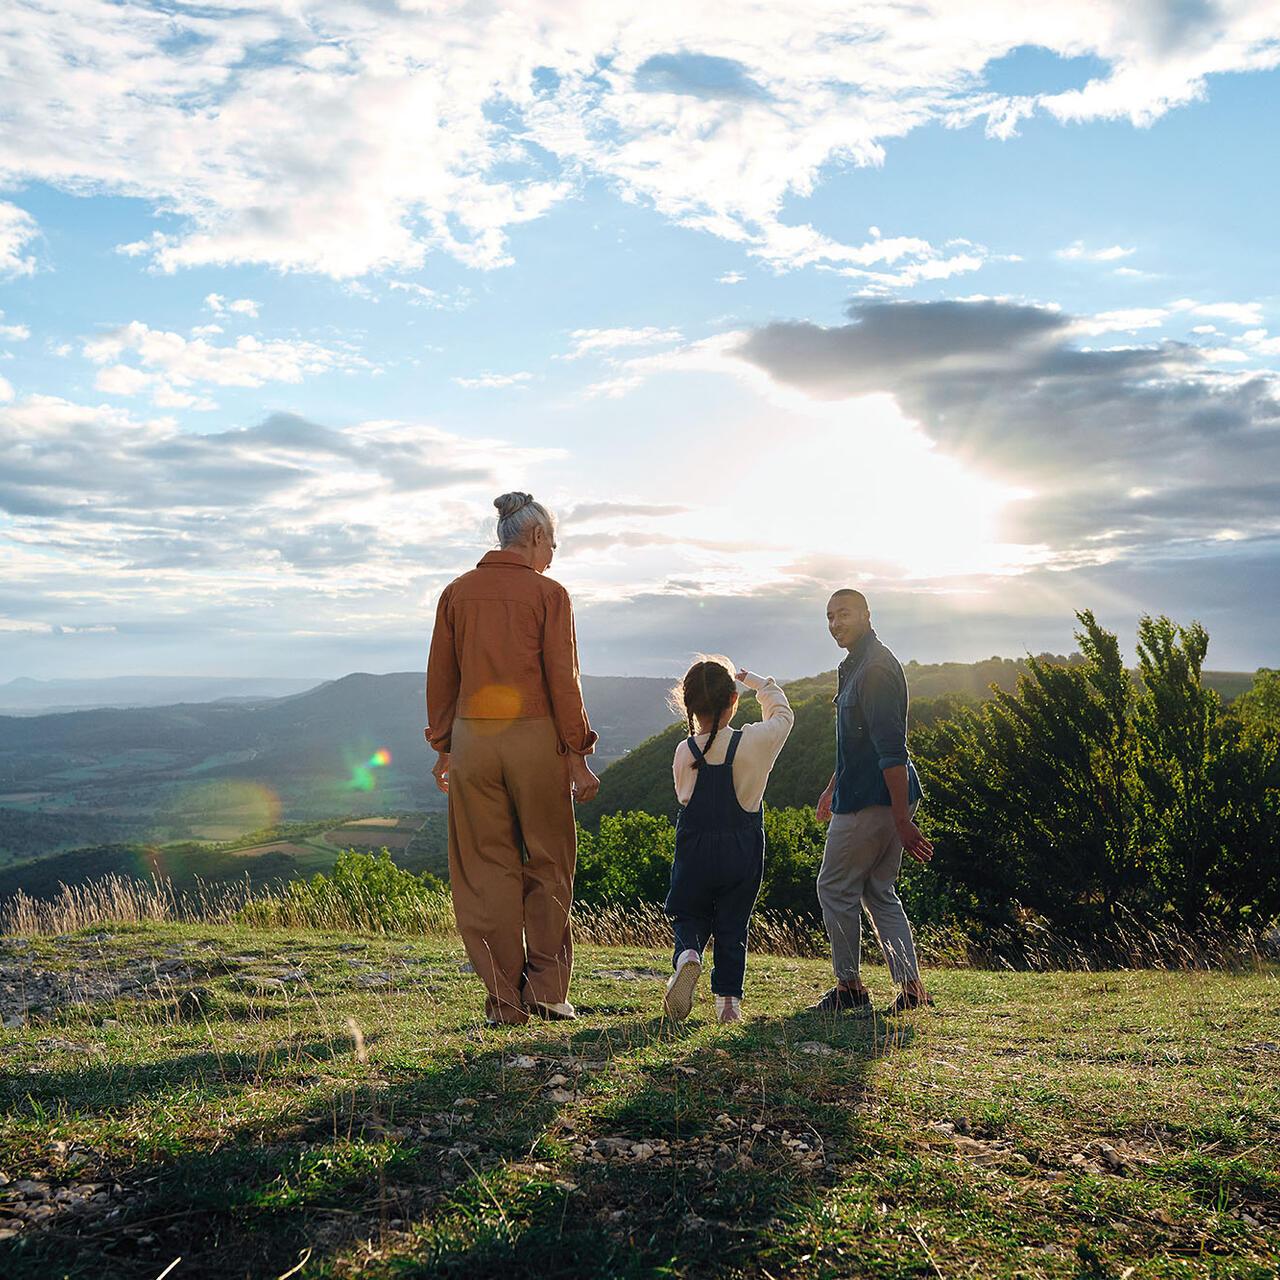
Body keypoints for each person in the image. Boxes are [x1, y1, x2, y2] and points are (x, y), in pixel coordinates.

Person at [425, 492, 600, 1026]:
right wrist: (578, 754)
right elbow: (562, 681)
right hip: (534, 737)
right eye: (553, 542)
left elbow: (441, 678)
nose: (554, 553)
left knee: (485, 870)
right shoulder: (550, 594)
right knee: (549, 861)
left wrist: (445, 746)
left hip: (473, 740)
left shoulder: (456, 593)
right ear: (534, 538)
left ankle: (504, 1000)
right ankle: (546, 990)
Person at [811, 589, 934, 1016]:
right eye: (829, 617)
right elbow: (855, 744)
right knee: (878, 891)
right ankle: (911, 988)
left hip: (873, 800)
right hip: (869, 792)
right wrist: (831, 787)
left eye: (843, 614)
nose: (835, 624)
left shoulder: (876, 668)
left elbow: (890, 750)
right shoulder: (856, 665)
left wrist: (901, 819)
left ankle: (849, 986)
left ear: (865, 614)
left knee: (834, 887)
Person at [663, 657, 794, 1024]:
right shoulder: (754, 741)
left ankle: (688, 953)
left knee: (690, 912)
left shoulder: (683, 752)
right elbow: (784, 716)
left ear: (689, 706)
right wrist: (759, 683)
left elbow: (683, 796)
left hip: (696, 847)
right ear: (733, 699)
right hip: (742, 847)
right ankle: (728, 1005)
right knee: (733, 924)